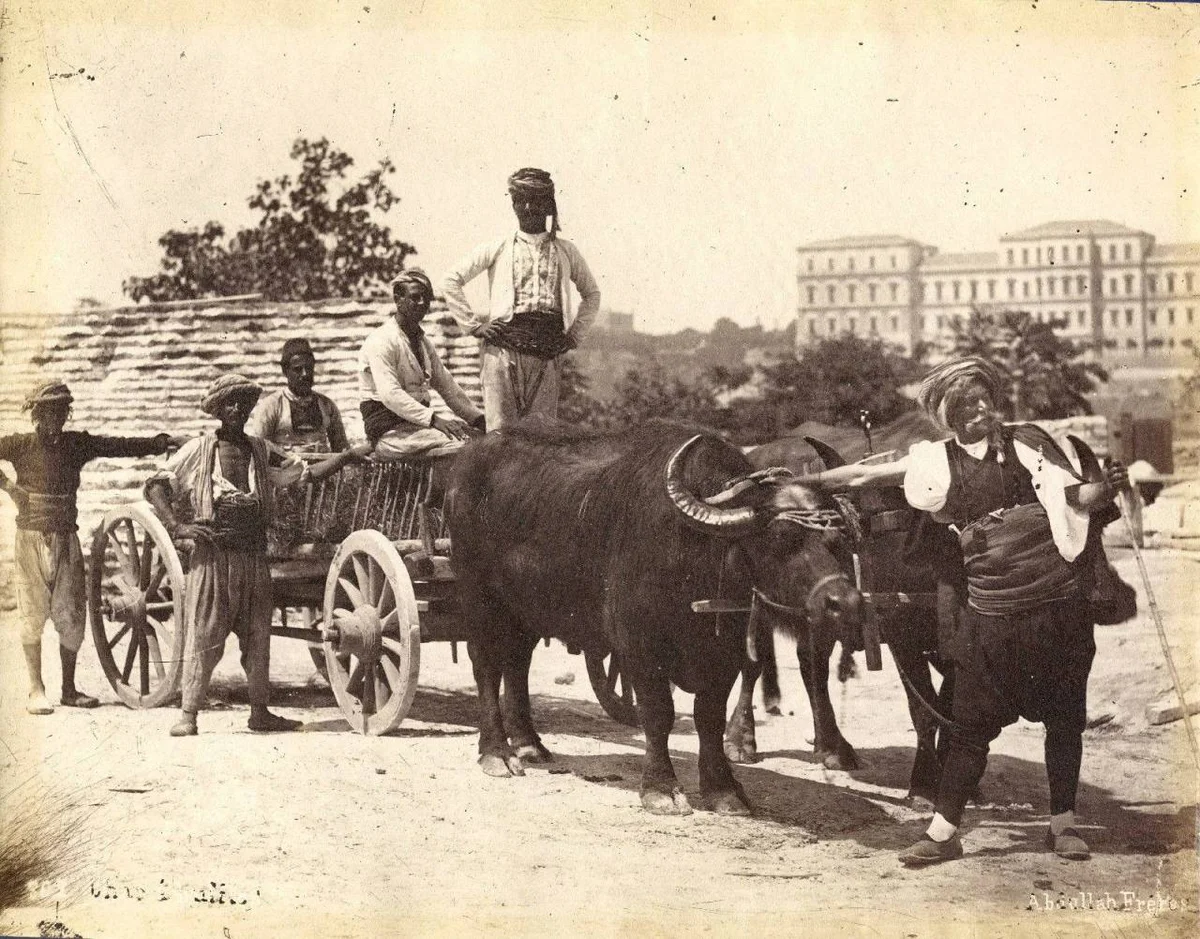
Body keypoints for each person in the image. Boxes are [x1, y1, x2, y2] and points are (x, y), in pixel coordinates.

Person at [809, 357, 1127, 865]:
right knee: (969, 726)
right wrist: (819, 485)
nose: (980, 409)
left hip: (1055, 607)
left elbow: (1075, 497)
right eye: (966, 404)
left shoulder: (1030, 447)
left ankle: (1063, 824)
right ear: (948, 415)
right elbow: (869, 476)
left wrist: (1104, 487)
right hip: (992, 611)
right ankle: (943, 833)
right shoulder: (934, 463)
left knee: (1065, 719)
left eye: (984, 398)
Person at [145, 373, 370, 737]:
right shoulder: (200, 450)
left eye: (243, 403)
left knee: (258, 637)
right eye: (229, 403)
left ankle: (259, 712)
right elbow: (156, 484)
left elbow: (304, 473)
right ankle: (188, 714)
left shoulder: (260, 452)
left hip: (253, 556)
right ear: (218, 410)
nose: (237, 409)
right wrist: (176, 527)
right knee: (204, 634)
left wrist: (345, 456)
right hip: (213, 558)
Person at [0, 380, 178, 715]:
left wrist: (158, 444)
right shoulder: (20, 445)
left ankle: (68, 688)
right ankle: (36, 688)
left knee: (72, 614)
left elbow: (116, 445)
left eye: (61, 410)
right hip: (29, 540)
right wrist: (10, 487)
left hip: (66, 539)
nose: (55, 416)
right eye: (48, 410)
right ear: (36, 413)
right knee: (32, 612)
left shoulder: (75, 444)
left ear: (67, 414)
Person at [442, 167, 600, 429]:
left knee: (540, 438)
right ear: (513, 204)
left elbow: (592, 294)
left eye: (535, 200)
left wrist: (573, 336)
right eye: (520, 200)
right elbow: (451, 280)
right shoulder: (499, 247)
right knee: (500, 433)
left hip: (547, 354)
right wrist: (474, 326)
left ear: (548, 205)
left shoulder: (565, 251)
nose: (527, 208)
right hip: (503, 352)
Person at [359, 268, 486, 459]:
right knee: (462, 445)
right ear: (398, 299)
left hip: (418, 429)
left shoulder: (423, 344)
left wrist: (479, 420)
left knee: (483, 439)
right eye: (415, 297)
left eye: (427, 298)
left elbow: (448, 387)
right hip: (390, 434)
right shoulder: (382, 340)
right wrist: (434, 419)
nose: (423, 303)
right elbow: (390, 394)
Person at [246, 337, 349, 453]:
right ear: (285, 371)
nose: (305, 374)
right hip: (285, 469)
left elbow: (342, 449)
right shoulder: (271, 406)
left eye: (309, 368)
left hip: (325, 469)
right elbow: (258, 451)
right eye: (298, 369)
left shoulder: (327, 406)